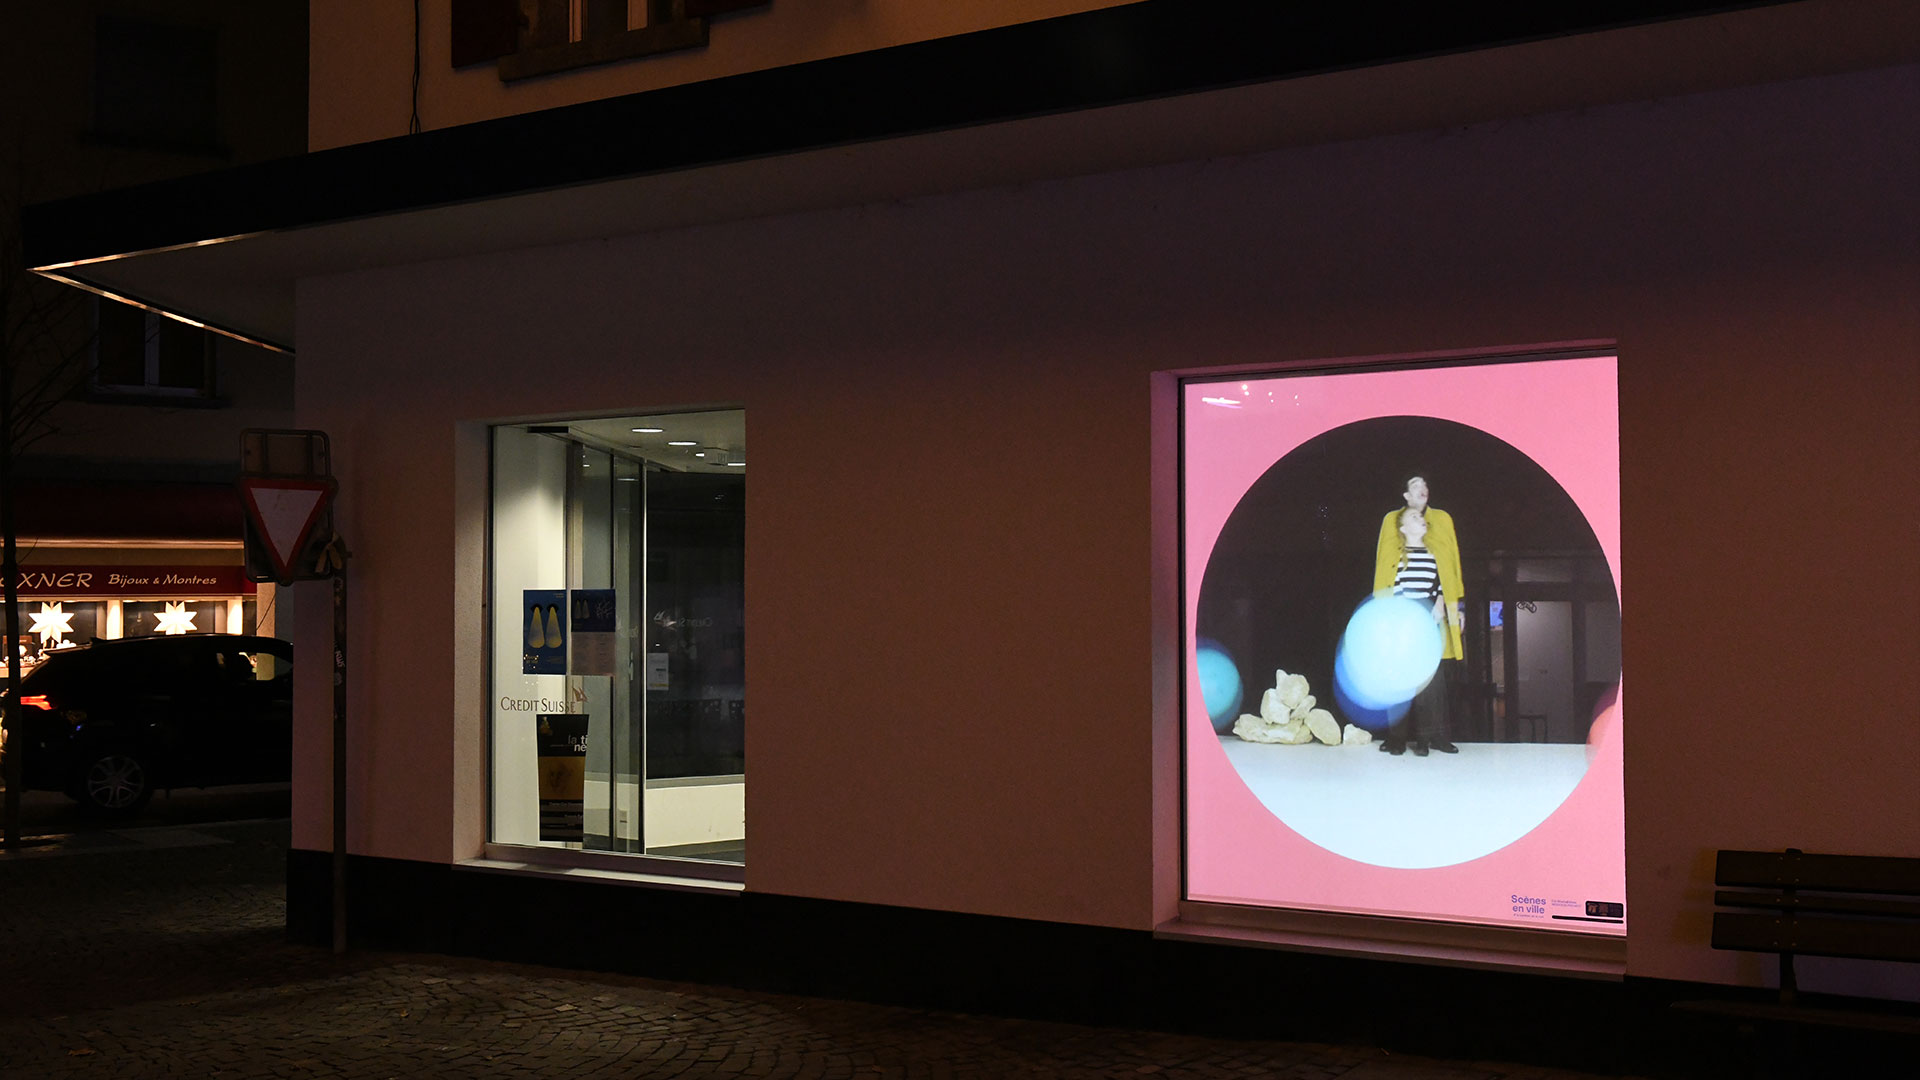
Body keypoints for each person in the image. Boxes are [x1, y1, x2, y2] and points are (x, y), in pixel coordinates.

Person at [1372, 474, 1463, 756]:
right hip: (1401, 613)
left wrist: (1456, 607)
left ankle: (1432, 738)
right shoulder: (1391, 522)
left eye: (1425, 484)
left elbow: (1450, 570)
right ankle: (1397, 738)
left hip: (1430, 613)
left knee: (1432, 680)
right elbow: (1384, 567)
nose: (1423, 489)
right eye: (1415, 486)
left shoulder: (1442, 522)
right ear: (1406, 496)